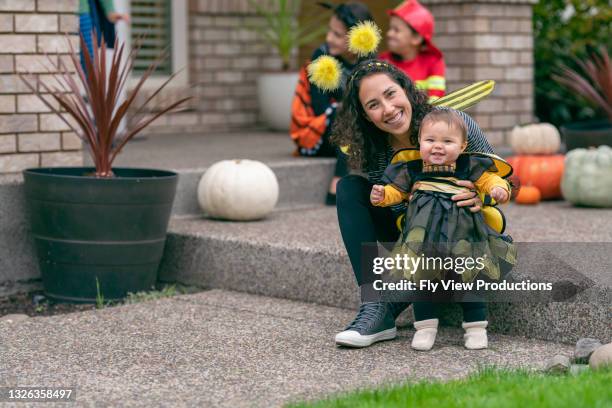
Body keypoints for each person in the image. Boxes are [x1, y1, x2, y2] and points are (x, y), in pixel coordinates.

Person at [329, 59, 506, 348]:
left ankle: (383, 313)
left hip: (465, 230)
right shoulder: (376, 149)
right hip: (414, 232)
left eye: (390, 94)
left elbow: (505, 179)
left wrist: (481, 194)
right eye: (373, 105)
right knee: (349, 187)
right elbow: (394, 208)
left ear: (406, 89)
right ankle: (374, 303)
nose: (387, 109)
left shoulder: (453, 122)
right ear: (365, 115)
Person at [370, 108, 516, 351]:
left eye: (447, 141)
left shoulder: (469, 166)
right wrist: (383, 195)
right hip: (424, 239)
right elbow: (398, 192)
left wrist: (498, 189)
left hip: (465, 238)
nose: (438, 147)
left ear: (462, 145)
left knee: (470, 280)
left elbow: (490, 180)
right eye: (430, 140)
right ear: (419, 142)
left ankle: (476, 327)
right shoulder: (413, 169)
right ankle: (426, 328)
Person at [290, 2, 373, 205]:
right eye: (330, 31)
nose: (329, 38)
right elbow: (320, 109)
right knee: (341, 110)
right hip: (319, 133)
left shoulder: (369, 62)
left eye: (337, 35)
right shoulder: (322, 57)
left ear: (359, 38)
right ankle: (338, 180)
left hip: (355, 134)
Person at [379, 0, 446, 102]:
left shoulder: (433, 62)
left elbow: (436, 101)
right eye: (390, 28)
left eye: (396, 30)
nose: (389, 33)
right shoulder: (382, 62)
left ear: (416, 38)